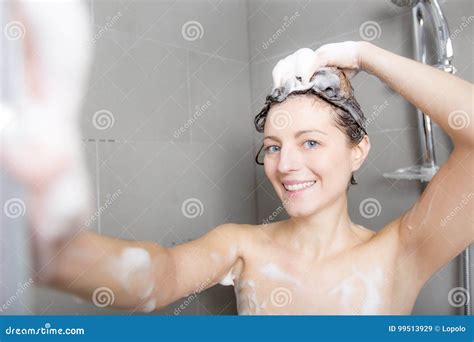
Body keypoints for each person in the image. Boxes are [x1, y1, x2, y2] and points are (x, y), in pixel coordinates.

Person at [34, 41, 474, 315]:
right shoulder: (241, 247)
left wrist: (365, 55)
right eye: (274, 146)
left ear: (357, 151)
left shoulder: (400, 252)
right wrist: (46, 249)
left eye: (311, 143)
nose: (285, 165)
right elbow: (160, 276)